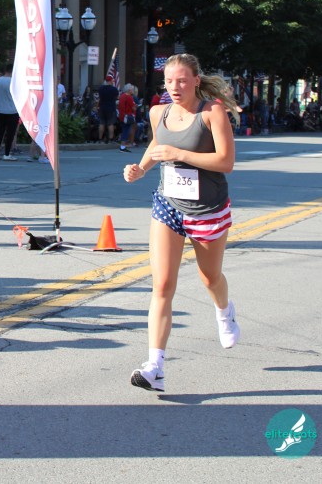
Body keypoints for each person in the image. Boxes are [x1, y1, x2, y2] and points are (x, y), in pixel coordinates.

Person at [122, 53, 239, 393]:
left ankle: (224, 311)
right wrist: (140, 168)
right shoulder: (158, 112)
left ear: (196, 81)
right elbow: (157, 143)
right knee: (162, 285)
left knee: (210, 277)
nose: (175, 87)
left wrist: (180, 155)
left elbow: (226, 161)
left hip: (207, 209)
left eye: (182, 80)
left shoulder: (212, 111)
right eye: (170, 81)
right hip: (169, 206)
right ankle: (155, 366)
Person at [0, 64, 18, 161]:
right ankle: (7, 154)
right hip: (12, 111)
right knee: (10, 133)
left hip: (0, 110)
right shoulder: (13, 81)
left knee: (0, 132)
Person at [97, 76, 119, 143]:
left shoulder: (101, 88)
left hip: (102, 107)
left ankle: (100, 139)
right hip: (111, 108)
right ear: (110, 81)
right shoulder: (114, 89)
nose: (113, 81)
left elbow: (99, 97)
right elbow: (117, 97)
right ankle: (111, 139)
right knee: (110, 124)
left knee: (102, 123)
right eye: (112, 80)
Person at [118, 84, 137, 152]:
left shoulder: (122, 96)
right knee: (126, 131)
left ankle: (122, 146)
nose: (133, 90)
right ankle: (122, 146)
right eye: (132, 89)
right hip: (127, 116)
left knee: (124, 130)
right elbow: (133, 108)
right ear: (129, 90)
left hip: (122, 116)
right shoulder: (129, 97)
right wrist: (136, 106)